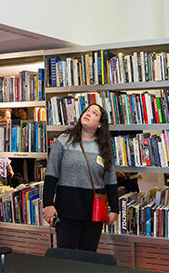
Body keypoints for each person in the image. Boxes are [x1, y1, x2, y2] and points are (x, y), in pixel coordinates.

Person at [42, 104, 119, 251]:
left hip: (93, 212)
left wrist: (115, 209)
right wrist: (47, 204)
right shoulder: (63, 140)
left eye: (94, 113)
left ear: (100, 124)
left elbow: (111, 180)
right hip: (66, 211)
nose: (88, 113)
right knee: (66, 259)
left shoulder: (104, 146)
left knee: (88, 258)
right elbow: (51, 173)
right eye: (87, 110)